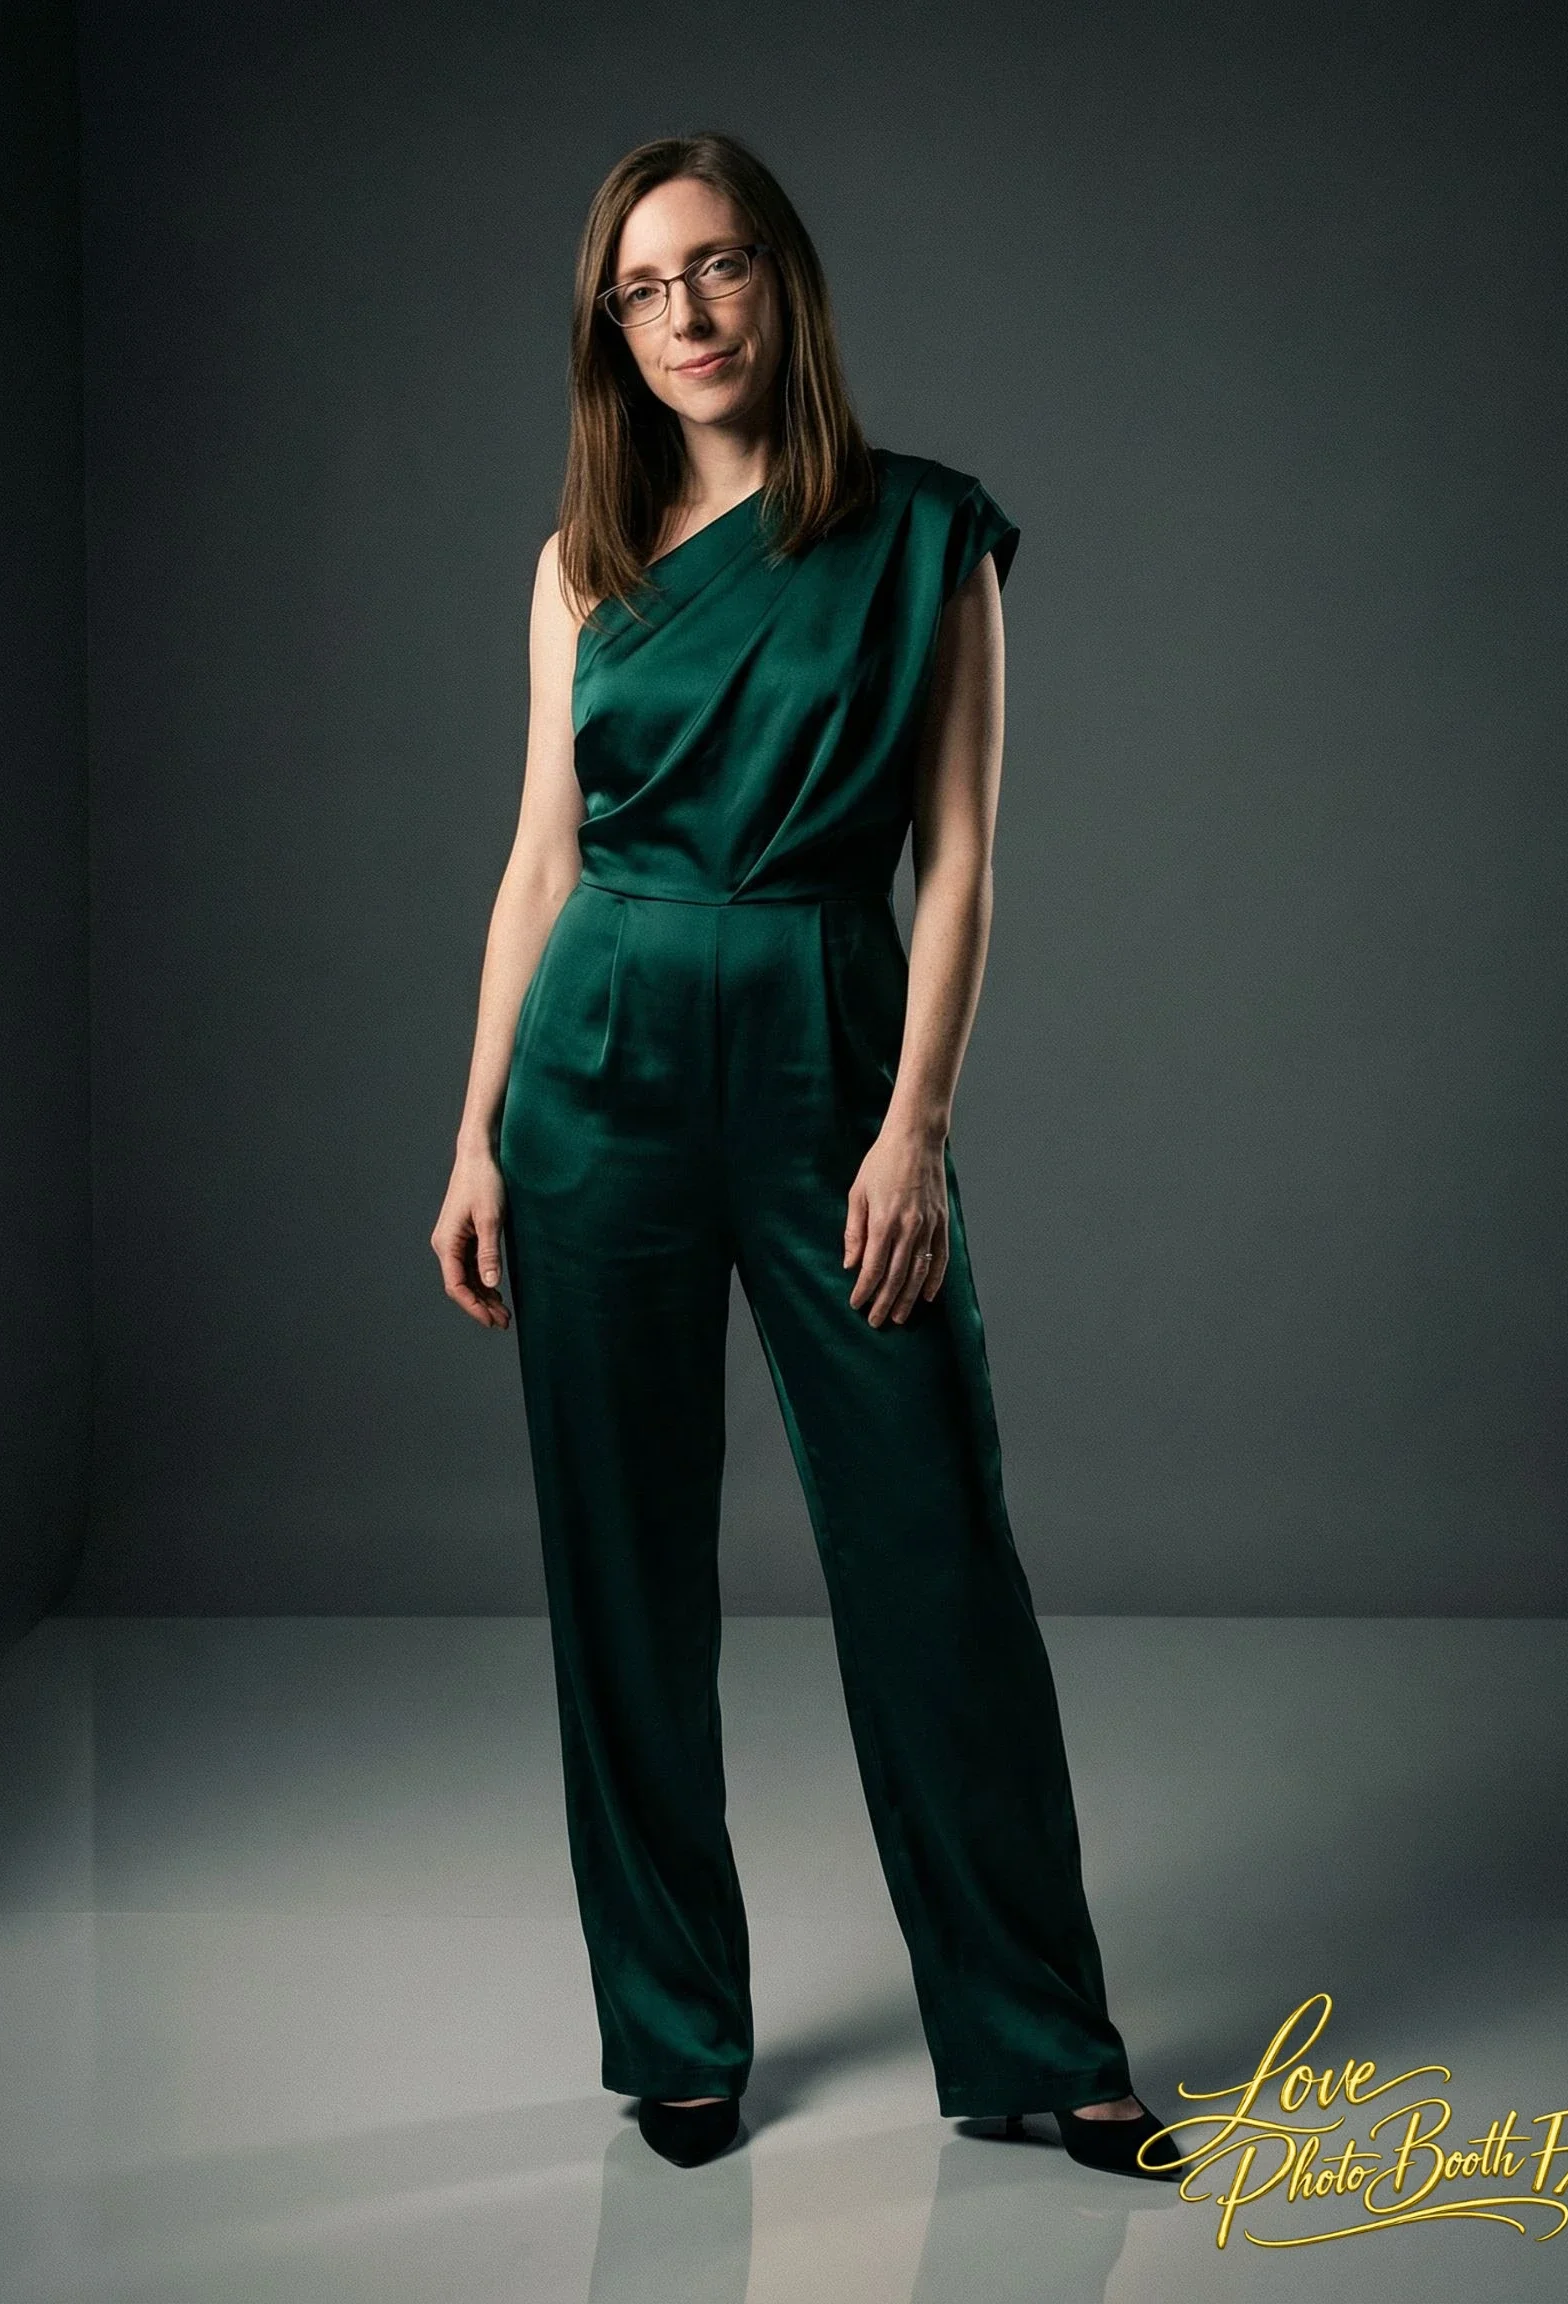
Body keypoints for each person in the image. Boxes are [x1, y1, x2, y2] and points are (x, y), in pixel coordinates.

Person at [430, 130, 1184, 2183]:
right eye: (641, 288)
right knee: (624, 1580)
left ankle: (1043, 2044)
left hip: (828, 1048)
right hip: (596, 1062)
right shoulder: (580, 558)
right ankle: (673, 2038)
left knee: (932, 1552)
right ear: (610, 325)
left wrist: (915, 1122)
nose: (683, 317)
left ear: (787, 286)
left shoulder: (930, 535)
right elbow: (535, 864)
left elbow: (958, 867)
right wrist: (475, 1133)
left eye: (719, 270)